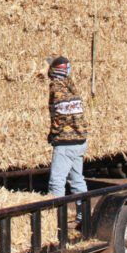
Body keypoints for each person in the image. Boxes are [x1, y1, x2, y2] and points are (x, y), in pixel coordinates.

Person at [47, 56, 89, 227]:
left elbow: (60, 116)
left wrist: (53, 134)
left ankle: (55, 223)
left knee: (56, 182)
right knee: (77, 180)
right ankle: (84, 217)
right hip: (80, 141)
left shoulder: (57, 88)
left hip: (66, 142)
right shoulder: (71, 86)